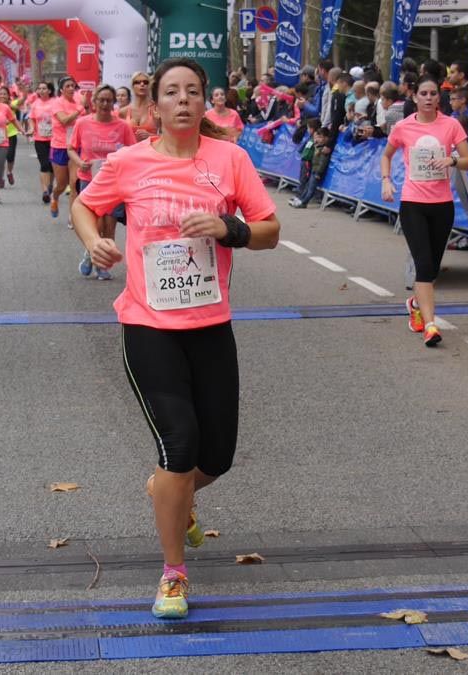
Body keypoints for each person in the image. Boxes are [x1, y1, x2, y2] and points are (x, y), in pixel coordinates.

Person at [71, 57, 280, 620]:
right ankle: (172, 574)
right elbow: (85, 205)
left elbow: (270, 231)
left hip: (211, 326)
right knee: (179, 447)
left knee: (218, 456)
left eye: (192, 91)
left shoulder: (230, 159)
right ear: (156, 105)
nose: (183, 100)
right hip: (148, 326)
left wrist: (229, 228)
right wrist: (93, 240)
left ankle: (169, 491)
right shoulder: (129, 162)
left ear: (205, 100)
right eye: (172, 92)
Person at [380, 77, 468, 347]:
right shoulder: (403, 127)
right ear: (416, 97)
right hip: (412, 204)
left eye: (433, 93)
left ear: (438, 98)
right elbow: (386, 154)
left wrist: (452, 159)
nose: (429, 98)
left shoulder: (451, 125)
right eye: (424, 93)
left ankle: (415, 304)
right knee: (423, 265)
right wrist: (386, 180)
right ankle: (431, 325)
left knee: (431, 269)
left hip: (442, 205)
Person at [68, 84, 135, 280]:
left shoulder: (122, 126)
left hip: (115, 183)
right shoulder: (82, 123)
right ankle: (91, 251)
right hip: (89, 180)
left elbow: (133, 152)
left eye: (109, 100)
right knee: (94, 225)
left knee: (110, 225)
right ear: (94, 102)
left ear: (113, 102)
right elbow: (71, 148)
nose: (105, 104)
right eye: (101, 100)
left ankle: (103, 265)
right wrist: (81, 163)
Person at [49, 77, 84, 219]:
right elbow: (64, 120)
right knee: (62, 185)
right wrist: (80, 110)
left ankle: (73, 216)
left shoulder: (79, 100)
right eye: (68, 86)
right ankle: (55, 197)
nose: (71, 88)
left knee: (74, 183)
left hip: (76, 146)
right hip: (60, 146)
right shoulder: (57, 103)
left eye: (73, 86)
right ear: (62, 89)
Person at [26, 81, 59, 204]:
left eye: (44, 88)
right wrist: (30, 128)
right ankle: (45, 191)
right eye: (39, 88)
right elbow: (31, 118)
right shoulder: (35, 104)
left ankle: (50, 185)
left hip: (54, 139)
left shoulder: (56, 103)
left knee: (51, 166)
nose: (41, 90)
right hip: (40, 139)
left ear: (49, 91)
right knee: (44, 164)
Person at [289, 126, 331, 208]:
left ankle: (304, 202)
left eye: (321, 137)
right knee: (307, 186)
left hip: (316, 172)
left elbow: (322, 162)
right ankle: (301, 199)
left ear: (326, 138)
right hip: (312, 170)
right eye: (317, 137)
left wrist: (318, 173)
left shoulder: (324, 150)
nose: (318, 139)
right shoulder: (318, 146)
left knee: (311, 188)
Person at [121, 71, 159, 142]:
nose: (142, 84)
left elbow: (168, 137)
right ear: (132, 86)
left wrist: (151, 136)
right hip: (129, 152)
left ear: (149, 85)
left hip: (150, 151)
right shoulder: (123, 111)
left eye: (145, 82)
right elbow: (117, 136)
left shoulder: (157, 109)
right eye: (137, 82)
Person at [0, 85, 21, 188]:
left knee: (10, 156)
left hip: (11, 134)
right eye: (1, 94)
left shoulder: (12, 105)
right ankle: (1, 178)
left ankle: (9, 172)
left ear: (8, 96)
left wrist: (10, 106)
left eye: (4, 94)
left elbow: (19, 106)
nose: (2, 96)